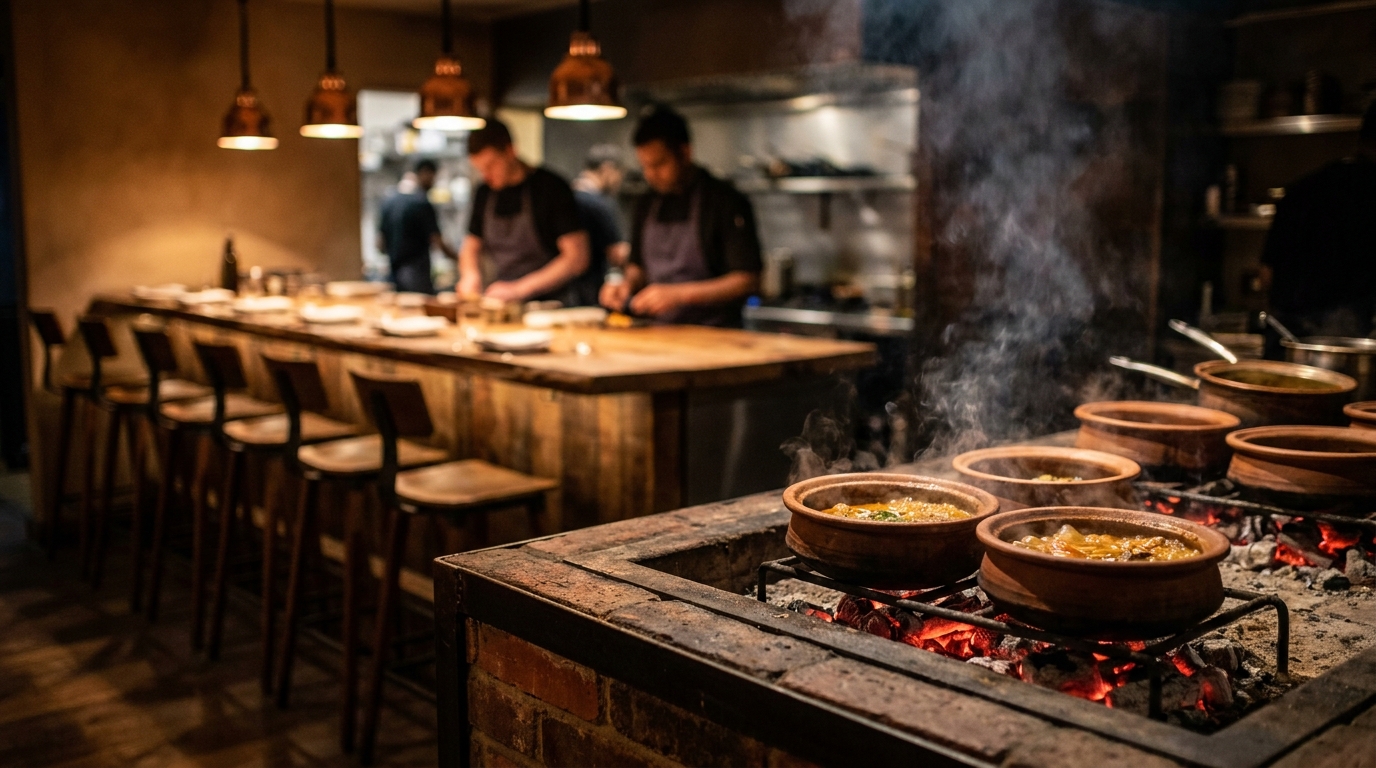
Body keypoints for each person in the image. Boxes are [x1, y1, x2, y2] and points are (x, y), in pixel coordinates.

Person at [599, 106, 762, 326]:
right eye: (645, 166)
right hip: (658, 333)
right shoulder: (647, 202)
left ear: (685, 153)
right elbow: (637, 267)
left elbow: (747, 280)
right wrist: (625, 285)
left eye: (659, 164)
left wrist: (680, 295)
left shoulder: (724, 200)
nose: (650, 174)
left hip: (716, 337)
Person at [1260, 101, 1376, 338]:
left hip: (1284, 329)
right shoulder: (1369, 193)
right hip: (1343, 335)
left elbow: (1266, 274)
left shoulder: (1304, 189)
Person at [458, 120, 589, 303]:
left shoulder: (550, 188)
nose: (485, 175)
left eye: (491, 165)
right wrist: (470, 275)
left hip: (553, 306)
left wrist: (520, 289)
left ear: (510, 151)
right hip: (502, 303)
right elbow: (470, 247)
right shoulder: (484, 193)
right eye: (480, 169)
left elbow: (577, 258)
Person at [376, 159, 457, 294]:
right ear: (426, 173)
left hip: (393, 273)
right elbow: (436, 240)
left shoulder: (388, 201)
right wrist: (458, 259)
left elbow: (380, 245)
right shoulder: (422, 203)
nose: (433, 182)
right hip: (416, 274)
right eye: (433, 177)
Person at [569, 144, 630, 306]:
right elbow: (617, 254)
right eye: (619, 174)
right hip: (591, 293)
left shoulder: (566, 197)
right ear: (607, 169)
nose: (619, 180)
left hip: (564, 290)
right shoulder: (598, 203)